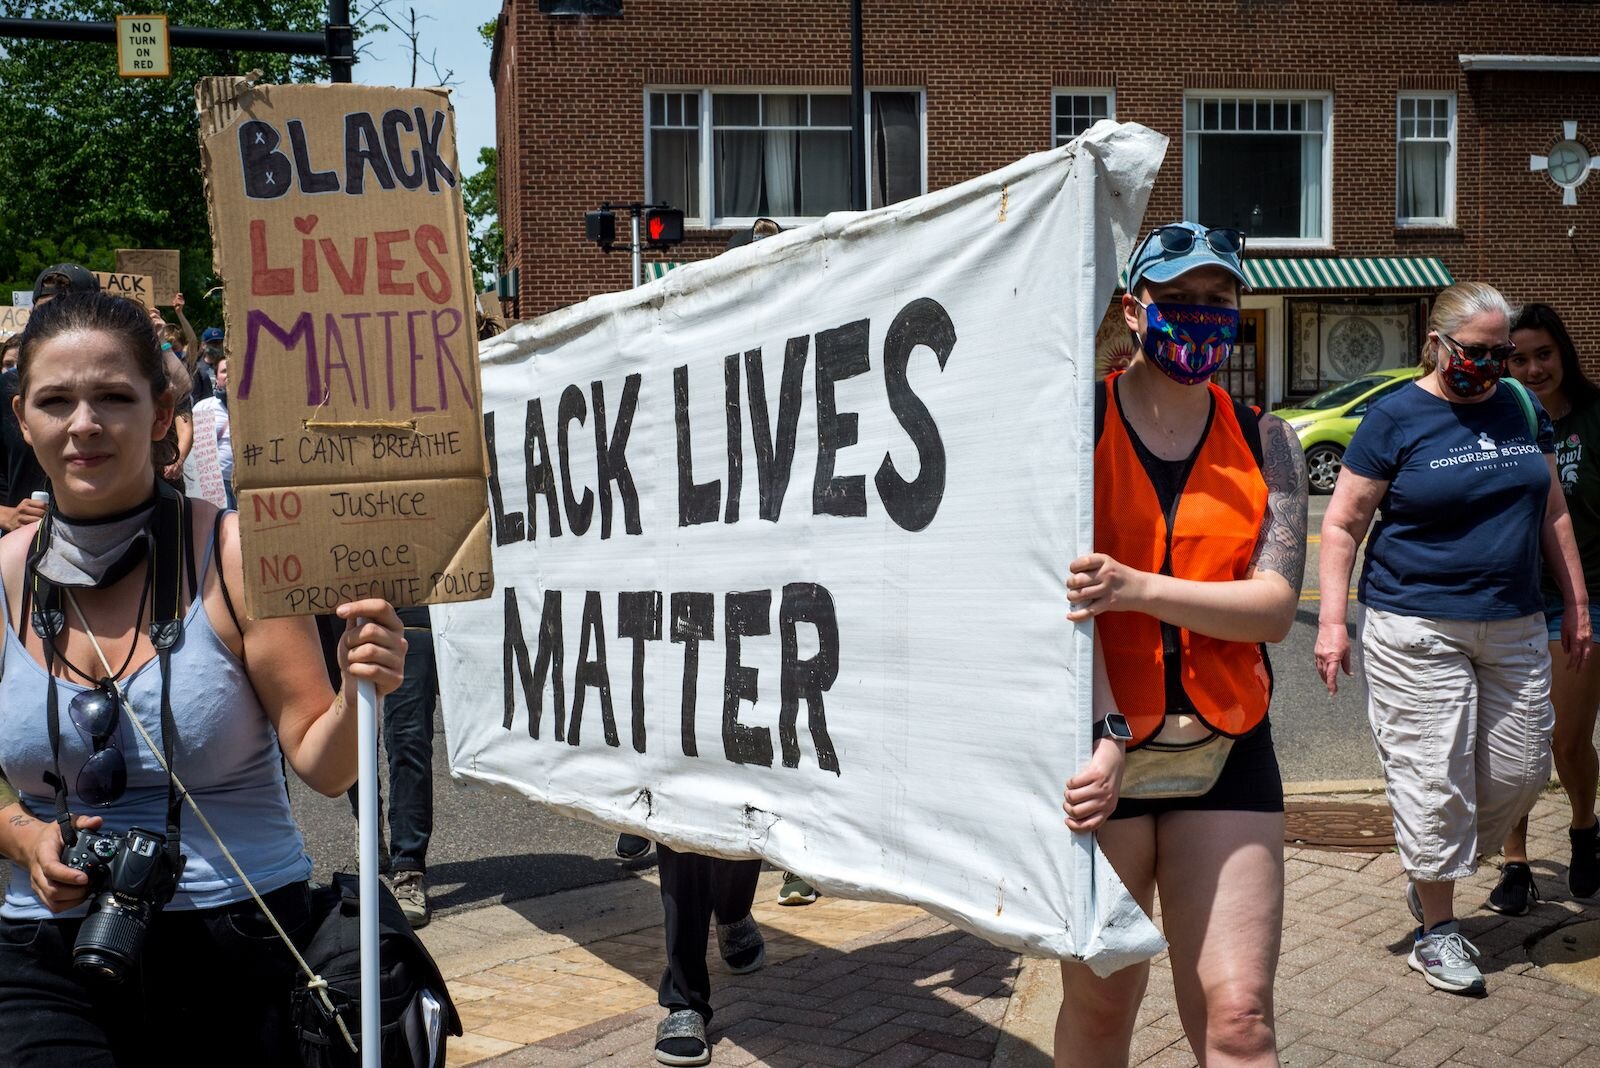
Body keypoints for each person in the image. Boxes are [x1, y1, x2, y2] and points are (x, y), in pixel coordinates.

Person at [0, 291, 407, 1065]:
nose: (84, 424)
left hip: (238, 934)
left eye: (114, 398)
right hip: (47, 948)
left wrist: (367, 687)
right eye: (56, 401)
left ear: (161, 415)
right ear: (24, 419)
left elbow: (326, 768)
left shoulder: (239, 557)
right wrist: (22, 836)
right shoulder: (0, 578)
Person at [1057, 221, 1305, 1067]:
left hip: (1227, 750)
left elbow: (1271, 607)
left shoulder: (1266, 439)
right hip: (1103, 759)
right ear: (1135, 309)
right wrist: (1106, 732)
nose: (1202, 317)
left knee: (1241, 1016)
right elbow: (1039, 604)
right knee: (1100, 1003)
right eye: (1179, 300)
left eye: (1219, 299)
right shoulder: (1069, 429)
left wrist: (1135, 587)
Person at [1315, 281, 1588, 997]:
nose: (1493, 365)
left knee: (1524, 767)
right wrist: (1335, 622)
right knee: (1434, 776)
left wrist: (1579, 602)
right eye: (1478, 352)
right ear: (1436, 345)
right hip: (1414, 621)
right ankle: (1438, 928)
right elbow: (1342, 524)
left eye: (1502, 353)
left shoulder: (1519, 406)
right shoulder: (1393, 416)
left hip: (1517, 618)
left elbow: (1551, 505)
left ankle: (1432, 864)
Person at [1491, 303, 1600, 913]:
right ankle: (1515, 862)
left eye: (1544, 354)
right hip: (1513, 598)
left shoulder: (1594, 416)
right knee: (1516, 739)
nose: (1532, 369)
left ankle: (1585, 827)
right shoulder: (1502, 420)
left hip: (1585, 598)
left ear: (1564, 353)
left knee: (1566, 740)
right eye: (1519, 357)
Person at [0, 265, 101, 533]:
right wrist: (6, 516)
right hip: (26, 549)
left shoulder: (124, 385)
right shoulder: (6, 386)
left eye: (69, 310)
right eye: (45, 313)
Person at [190, 357, 234, 508]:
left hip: (248, 484)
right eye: (224, 371)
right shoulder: (204, 408)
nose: (230, 374)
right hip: (217, 486)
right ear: (217, 379)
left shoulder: (256, 407)